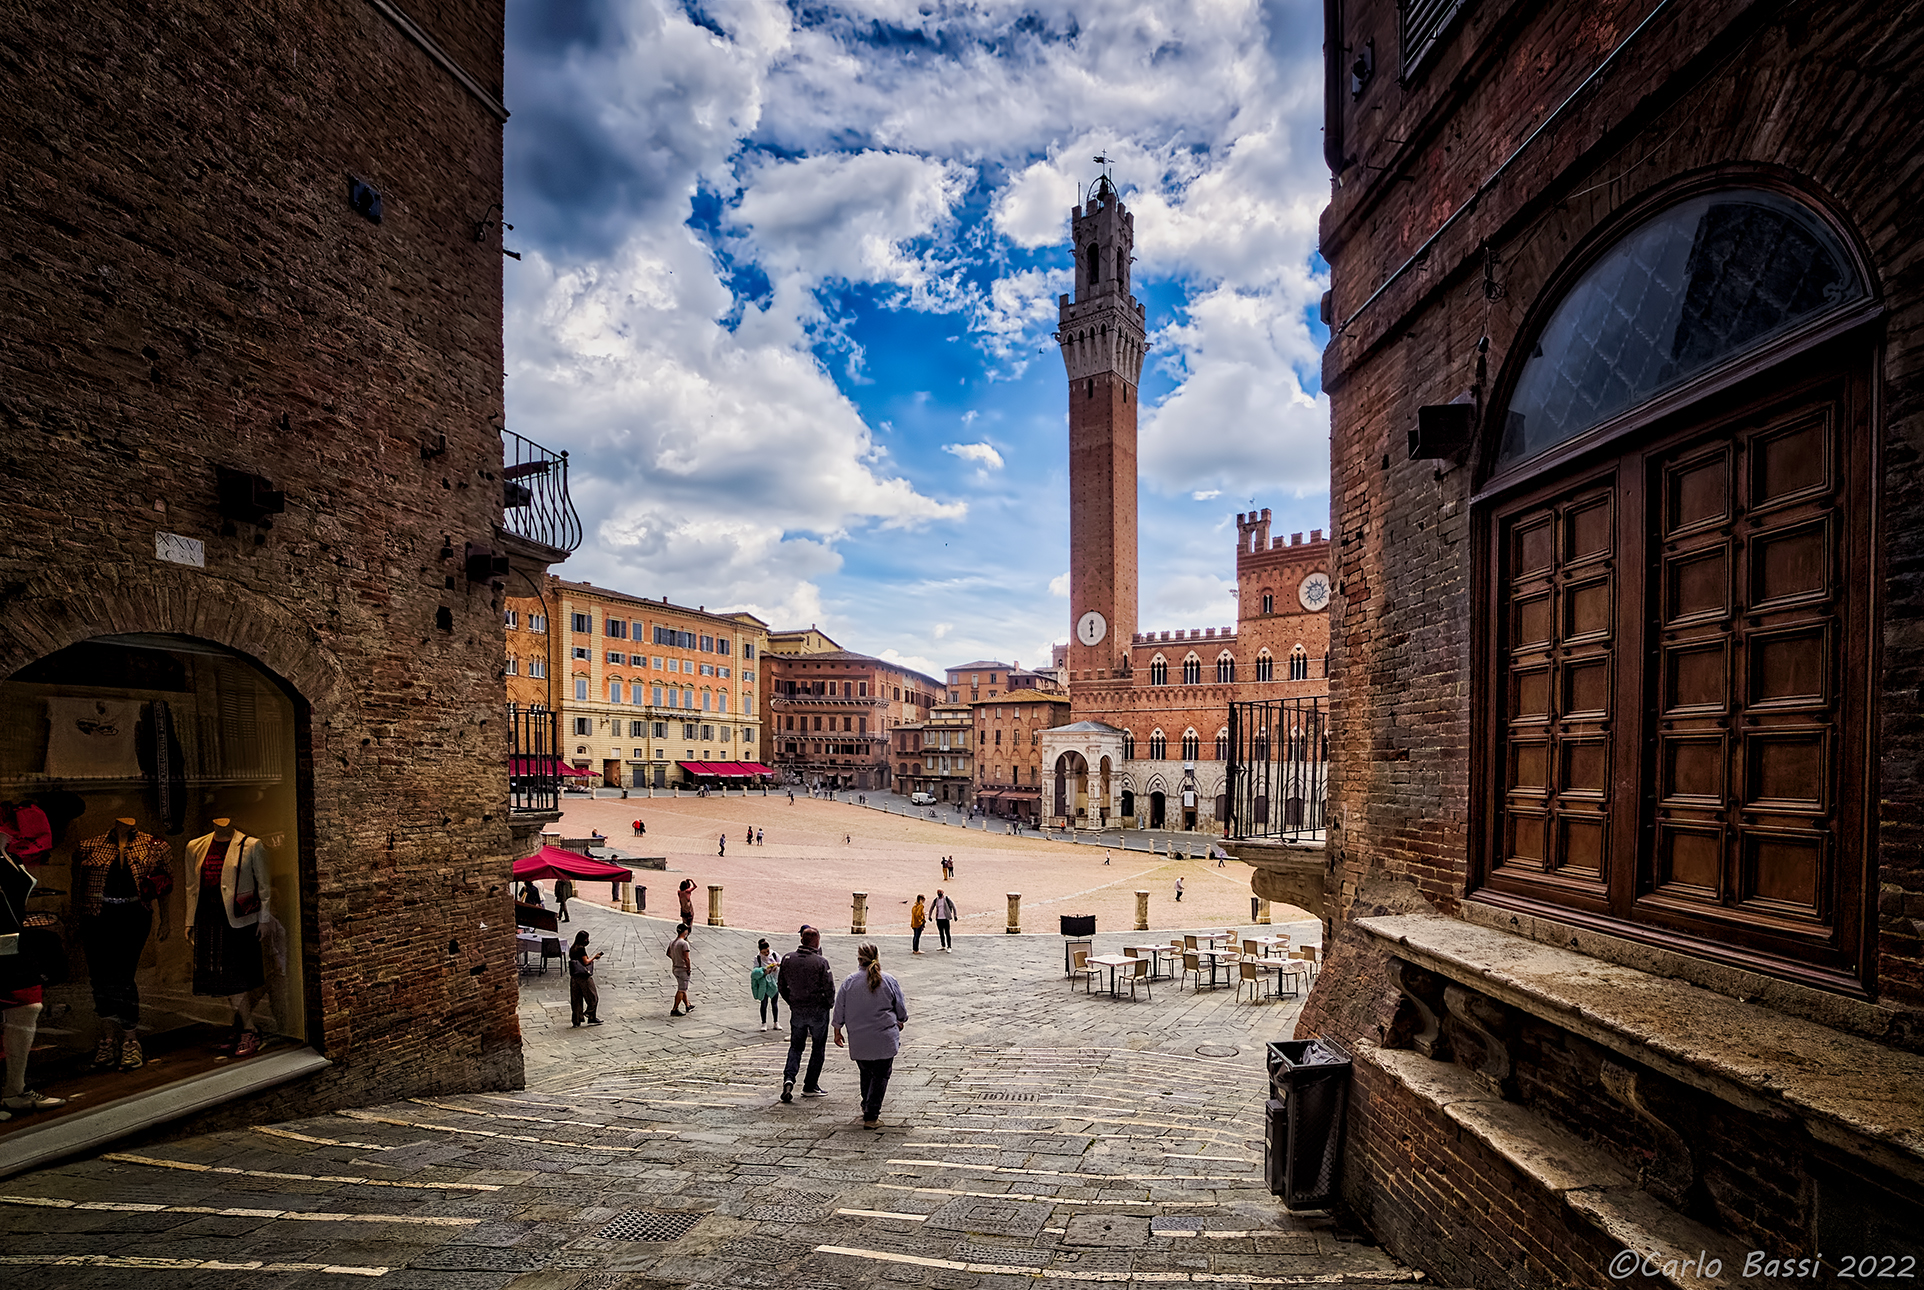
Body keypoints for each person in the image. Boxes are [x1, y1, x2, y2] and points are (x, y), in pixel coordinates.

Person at [833, 943, 908, 1129]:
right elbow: (900, 1008)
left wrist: (837, 1029)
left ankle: (866, 1104)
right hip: (884, 1037)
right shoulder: (889, 980)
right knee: (881, 1075)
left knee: (866, 1072)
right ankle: (871, 1114)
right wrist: (901, 1019)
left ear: (859, 959)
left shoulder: (849, 981)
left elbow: (839, 1008)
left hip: (859, 1038)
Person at [777, 925, 834, 1102]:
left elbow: (781, 986)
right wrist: (829, 1005)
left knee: (795, 1047)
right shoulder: (820, 962)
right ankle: (810, 1085)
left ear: (801, 940)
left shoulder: (787, 959)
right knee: (818, 1049)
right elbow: (829, 988)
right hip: (818, 1011)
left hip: (798, 1010)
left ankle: (789, 1078)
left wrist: (792, 1002)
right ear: (817, 942)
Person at [568, 931, 602, 1026]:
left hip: (574, 976)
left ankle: (576, 1020)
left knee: (576, 999)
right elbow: (586, 962)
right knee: (593, 996)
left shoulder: (572, 948)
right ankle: (590, 1013)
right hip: (583, 976)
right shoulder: (581, 949)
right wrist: (595, 957)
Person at [752, 938, 780, 1030]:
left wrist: (777, 966)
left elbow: (781, 964)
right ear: (760, 951)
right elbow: (755, 972)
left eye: (767, 951)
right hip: (763, 982)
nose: (767, 953)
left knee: (774, 1003)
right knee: (763, 1003)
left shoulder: (775, 955)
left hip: (774, 981)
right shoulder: (758, 958)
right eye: (764, 952)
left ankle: (776, 1022)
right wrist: (764, 971)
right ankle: (763, 1023)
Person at [667, 922, 694, 1016]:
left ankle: (687, 1005)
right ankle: (674, 1009)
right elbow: (686, 958)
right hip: (682, 968)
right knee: (682, 989)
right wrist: (688, 968)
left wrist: (675, 958)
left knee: (682, 987)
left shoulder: (672, 942)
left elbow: (668, 953)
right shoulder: (684, 944)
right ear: (685, 932)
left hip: (675, 967)